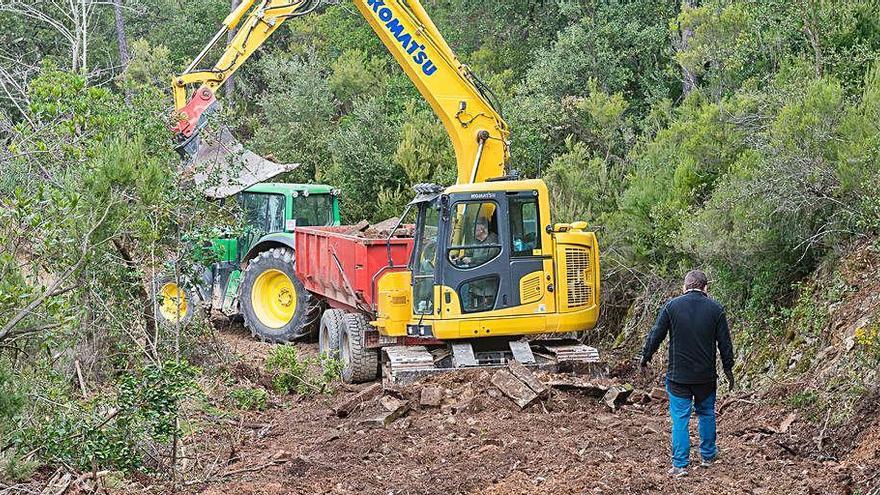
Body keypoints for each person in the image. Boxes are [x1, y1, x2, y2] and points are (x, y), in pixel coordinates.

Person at [640, 270, 735, 477]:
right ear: (705, 288)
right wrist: (728, 368)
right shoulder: (716, 309)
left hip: (678, 377)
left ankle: (680, 465)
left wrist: (645, 357)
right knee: (707, 413)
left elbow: (656, 334)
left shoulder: (671, 307)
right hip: (706, 377)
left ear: (685, 287)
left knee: (680, 419)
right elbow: (725, 343)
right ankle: (708, 456)